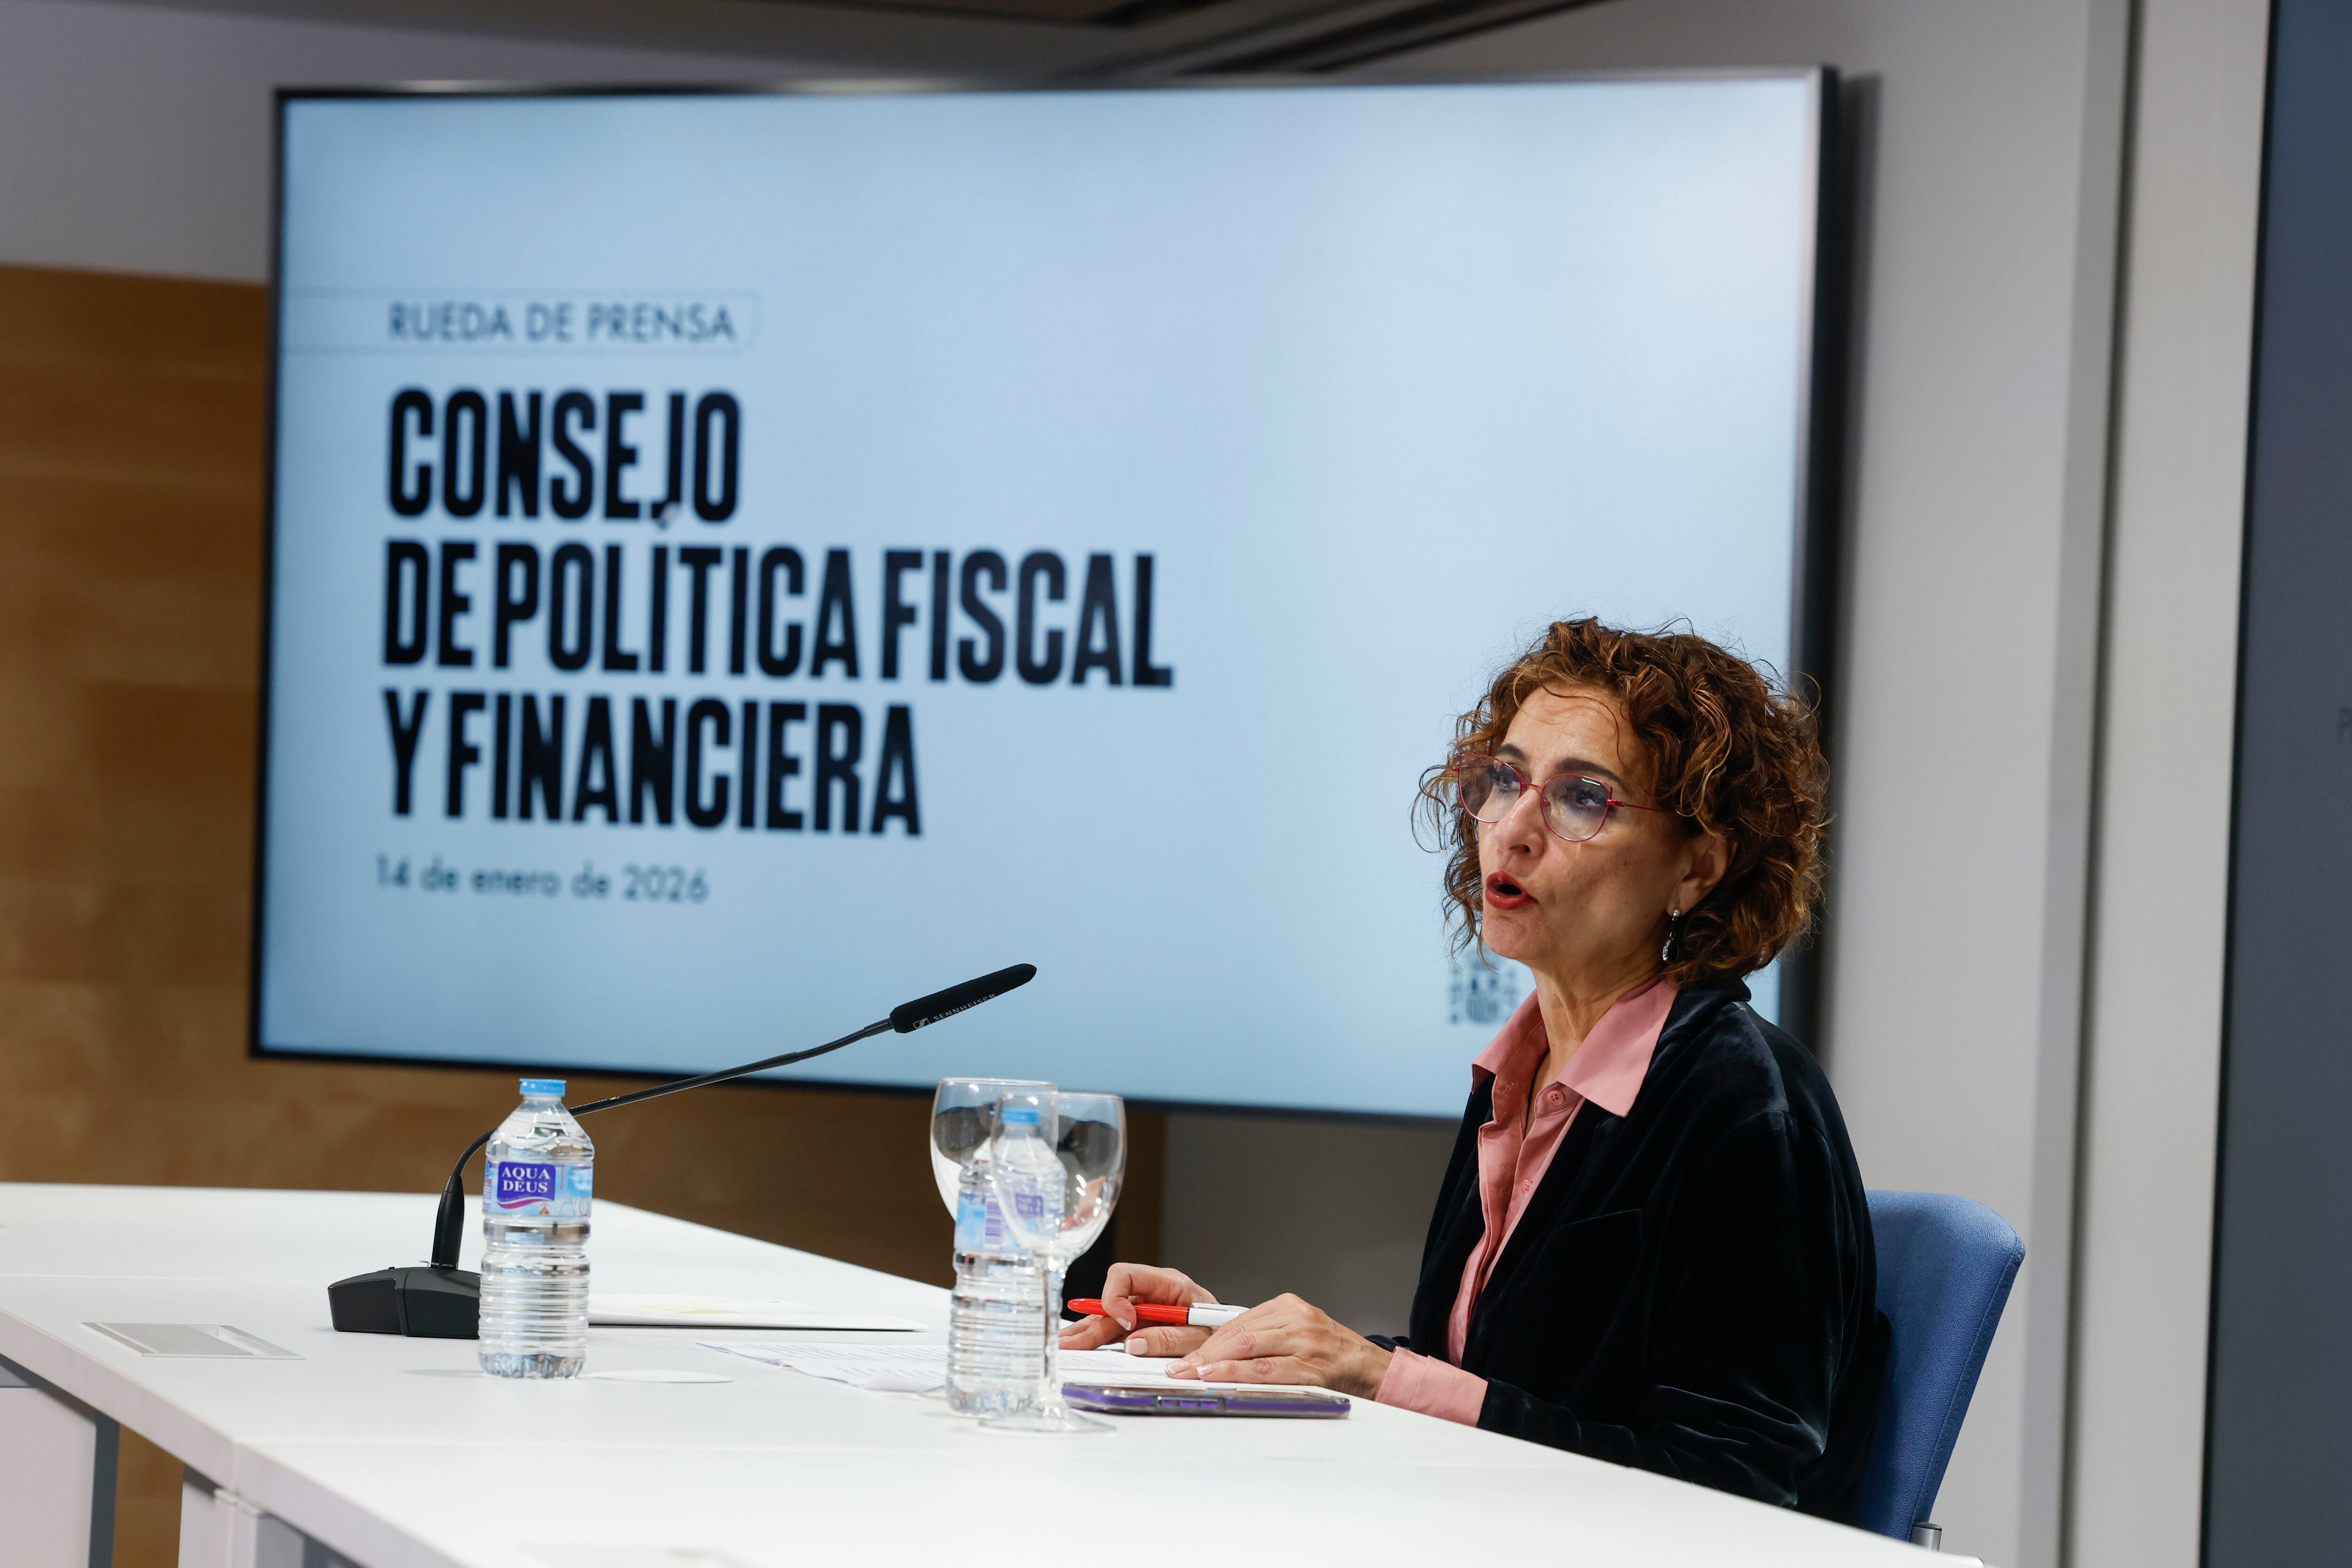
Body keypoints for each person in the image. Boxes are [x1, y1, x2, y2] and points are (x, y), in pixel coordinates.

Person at [1064, 618, 1887, 1515]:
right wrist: (1230, 1335)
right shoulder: (1518, 1075)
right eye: (1506, 780)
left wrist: (1382, 1377)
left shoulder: (1745, 1106)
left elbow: (1738, 1489)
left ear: (1698, 866)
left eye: (1583, 798)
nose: (1513, 830)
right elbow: (1485, 1382)